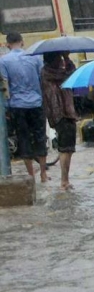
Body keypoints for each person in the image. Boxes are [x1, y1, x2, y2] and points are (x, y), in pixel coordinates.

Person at [0, 32, 48, 183]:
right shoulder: (34, 57)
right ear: (22, 42)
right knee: (40, 136)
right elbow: (42, 79)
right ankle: (43, 174)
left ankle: (30, 175)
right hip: (36, 103)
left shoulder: (3, 61)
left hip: (17, 106)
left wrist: (7, 107)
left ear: (8, 44)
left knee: (23, 138)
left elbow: (5, 85)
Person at [40, 52, 78, 190]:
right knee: (66, 149)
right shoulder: (50, 73)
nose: (61, 61)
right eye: (59, 58)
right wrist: (67, 58)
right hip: (62, 113)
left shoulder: (48, 72)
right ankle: (64, 181)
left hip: (63, 113)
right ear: (54, 60)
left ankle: (65, 180)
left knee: (68, 149)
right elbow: (71, 74)